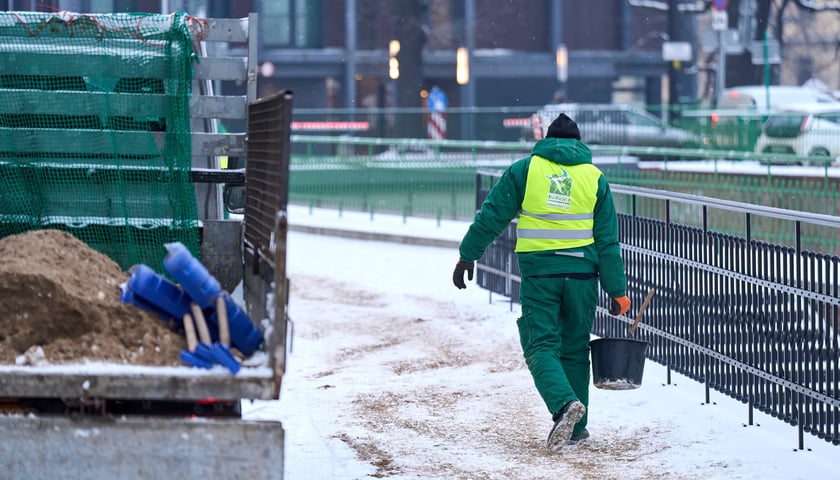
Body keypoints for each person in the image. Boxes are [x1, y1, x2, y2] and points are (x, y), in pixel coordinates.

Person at [451, 113, 630, 452]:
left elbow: (492, 215)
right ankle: (578, 431)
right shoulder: (595, 178)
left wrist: (467, 254)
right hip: (582, 277)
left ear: (547, 140)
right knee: (575, 350)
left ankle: (564, 405)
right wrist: (617, 291)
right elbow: (608, 241)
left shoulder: (526, 170)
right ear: (578, 143)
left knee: (540, 345)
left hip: (540, 275)